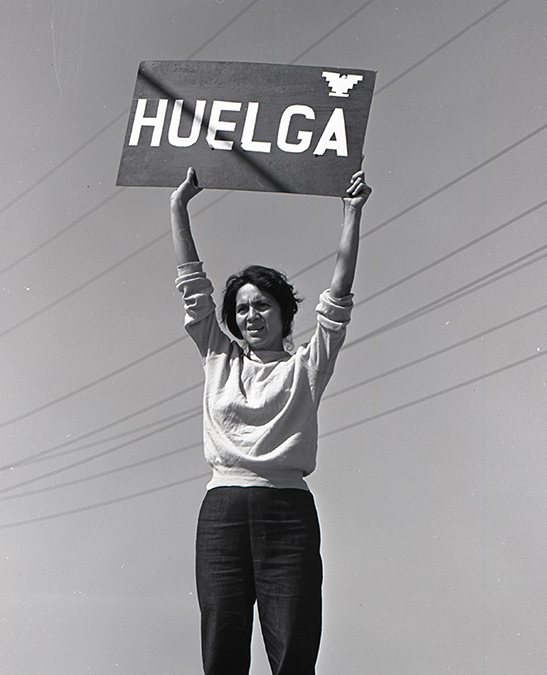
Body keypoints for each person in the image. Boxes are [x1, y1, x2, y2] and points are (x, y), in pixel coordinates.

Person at [170, 166, 371, 675]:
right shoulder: (219, 357)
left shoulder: (307, 365)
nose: (250, 316)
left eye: (262, 306)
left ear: (283, 314)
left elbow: (338, 298)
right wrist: (179, 207)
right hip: (223, 513)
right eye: (240, 310)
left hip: (288, 515)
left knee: (296, 647)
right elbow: (193, 288)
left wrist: (351, 213)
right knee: (222, 646)